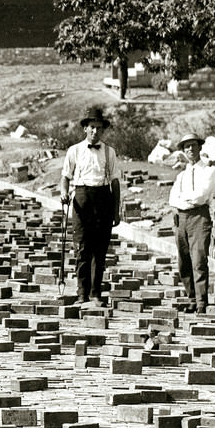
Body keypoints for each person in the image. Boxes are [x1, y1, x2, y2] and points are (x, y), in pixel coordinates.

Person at [60, 106, 121, 307]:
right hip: (82, 199)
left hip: (103, 199)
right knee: (82, 248)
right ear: (85, 128)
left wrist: (115, 210)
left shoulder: (110, 152)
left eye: (99, 128)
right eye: (92, 127)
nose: (95, 131)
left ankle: (96, 294)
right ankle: (81, 293)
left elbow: (115, 183)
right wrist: (63, 192)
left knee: (100, 250)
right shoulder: (74, 150)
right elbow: (65, 177)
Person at [168, 132, 215, 313]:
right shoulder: (181, 175)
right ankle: (191, 298)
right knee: (184, 261)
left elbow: (201, 196)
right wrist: (183, 201)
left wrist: (184, 199)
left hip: (199, 218)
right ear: (183, 150)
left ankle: (201, 302)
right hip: (181, 218)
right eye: (186, 146)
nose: (190, 149)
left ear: (200, 147)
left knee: (199, 260)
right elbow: (173, 198)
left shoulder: (209, 171)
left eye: (193, 145)